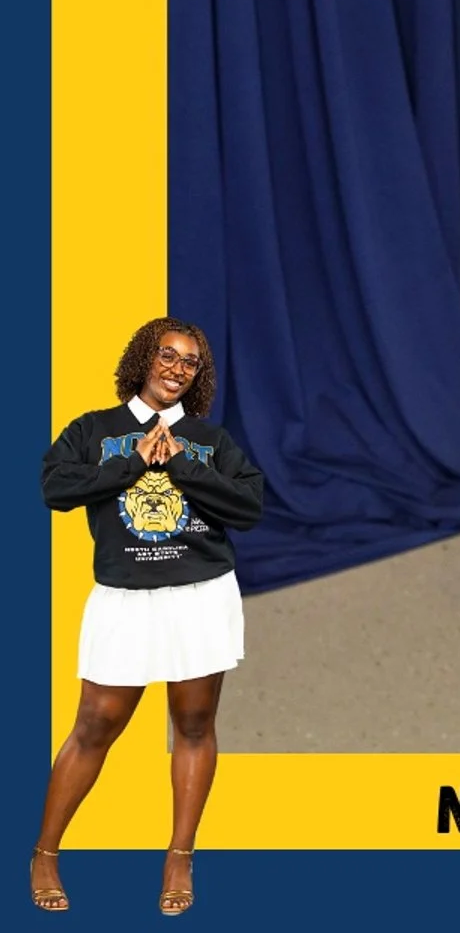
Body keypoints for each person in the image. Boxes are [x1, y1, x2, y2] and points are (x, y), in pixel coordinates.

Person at [34, 318, 264, 913]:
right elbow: (56, 490)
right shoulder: (95, 430)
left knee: (193, 724)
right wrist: (133, 463)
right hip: (126, 596)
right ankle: (46, 852)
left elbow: (249, 505)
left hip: (200, 594)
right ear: (144, 359)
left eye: (190, 362)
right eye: (167, 354)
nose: (177, 368)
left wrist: (184, 466)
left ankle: (180, 857)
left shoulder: (210, 441)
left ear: (198, 376)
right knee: (95, 724)